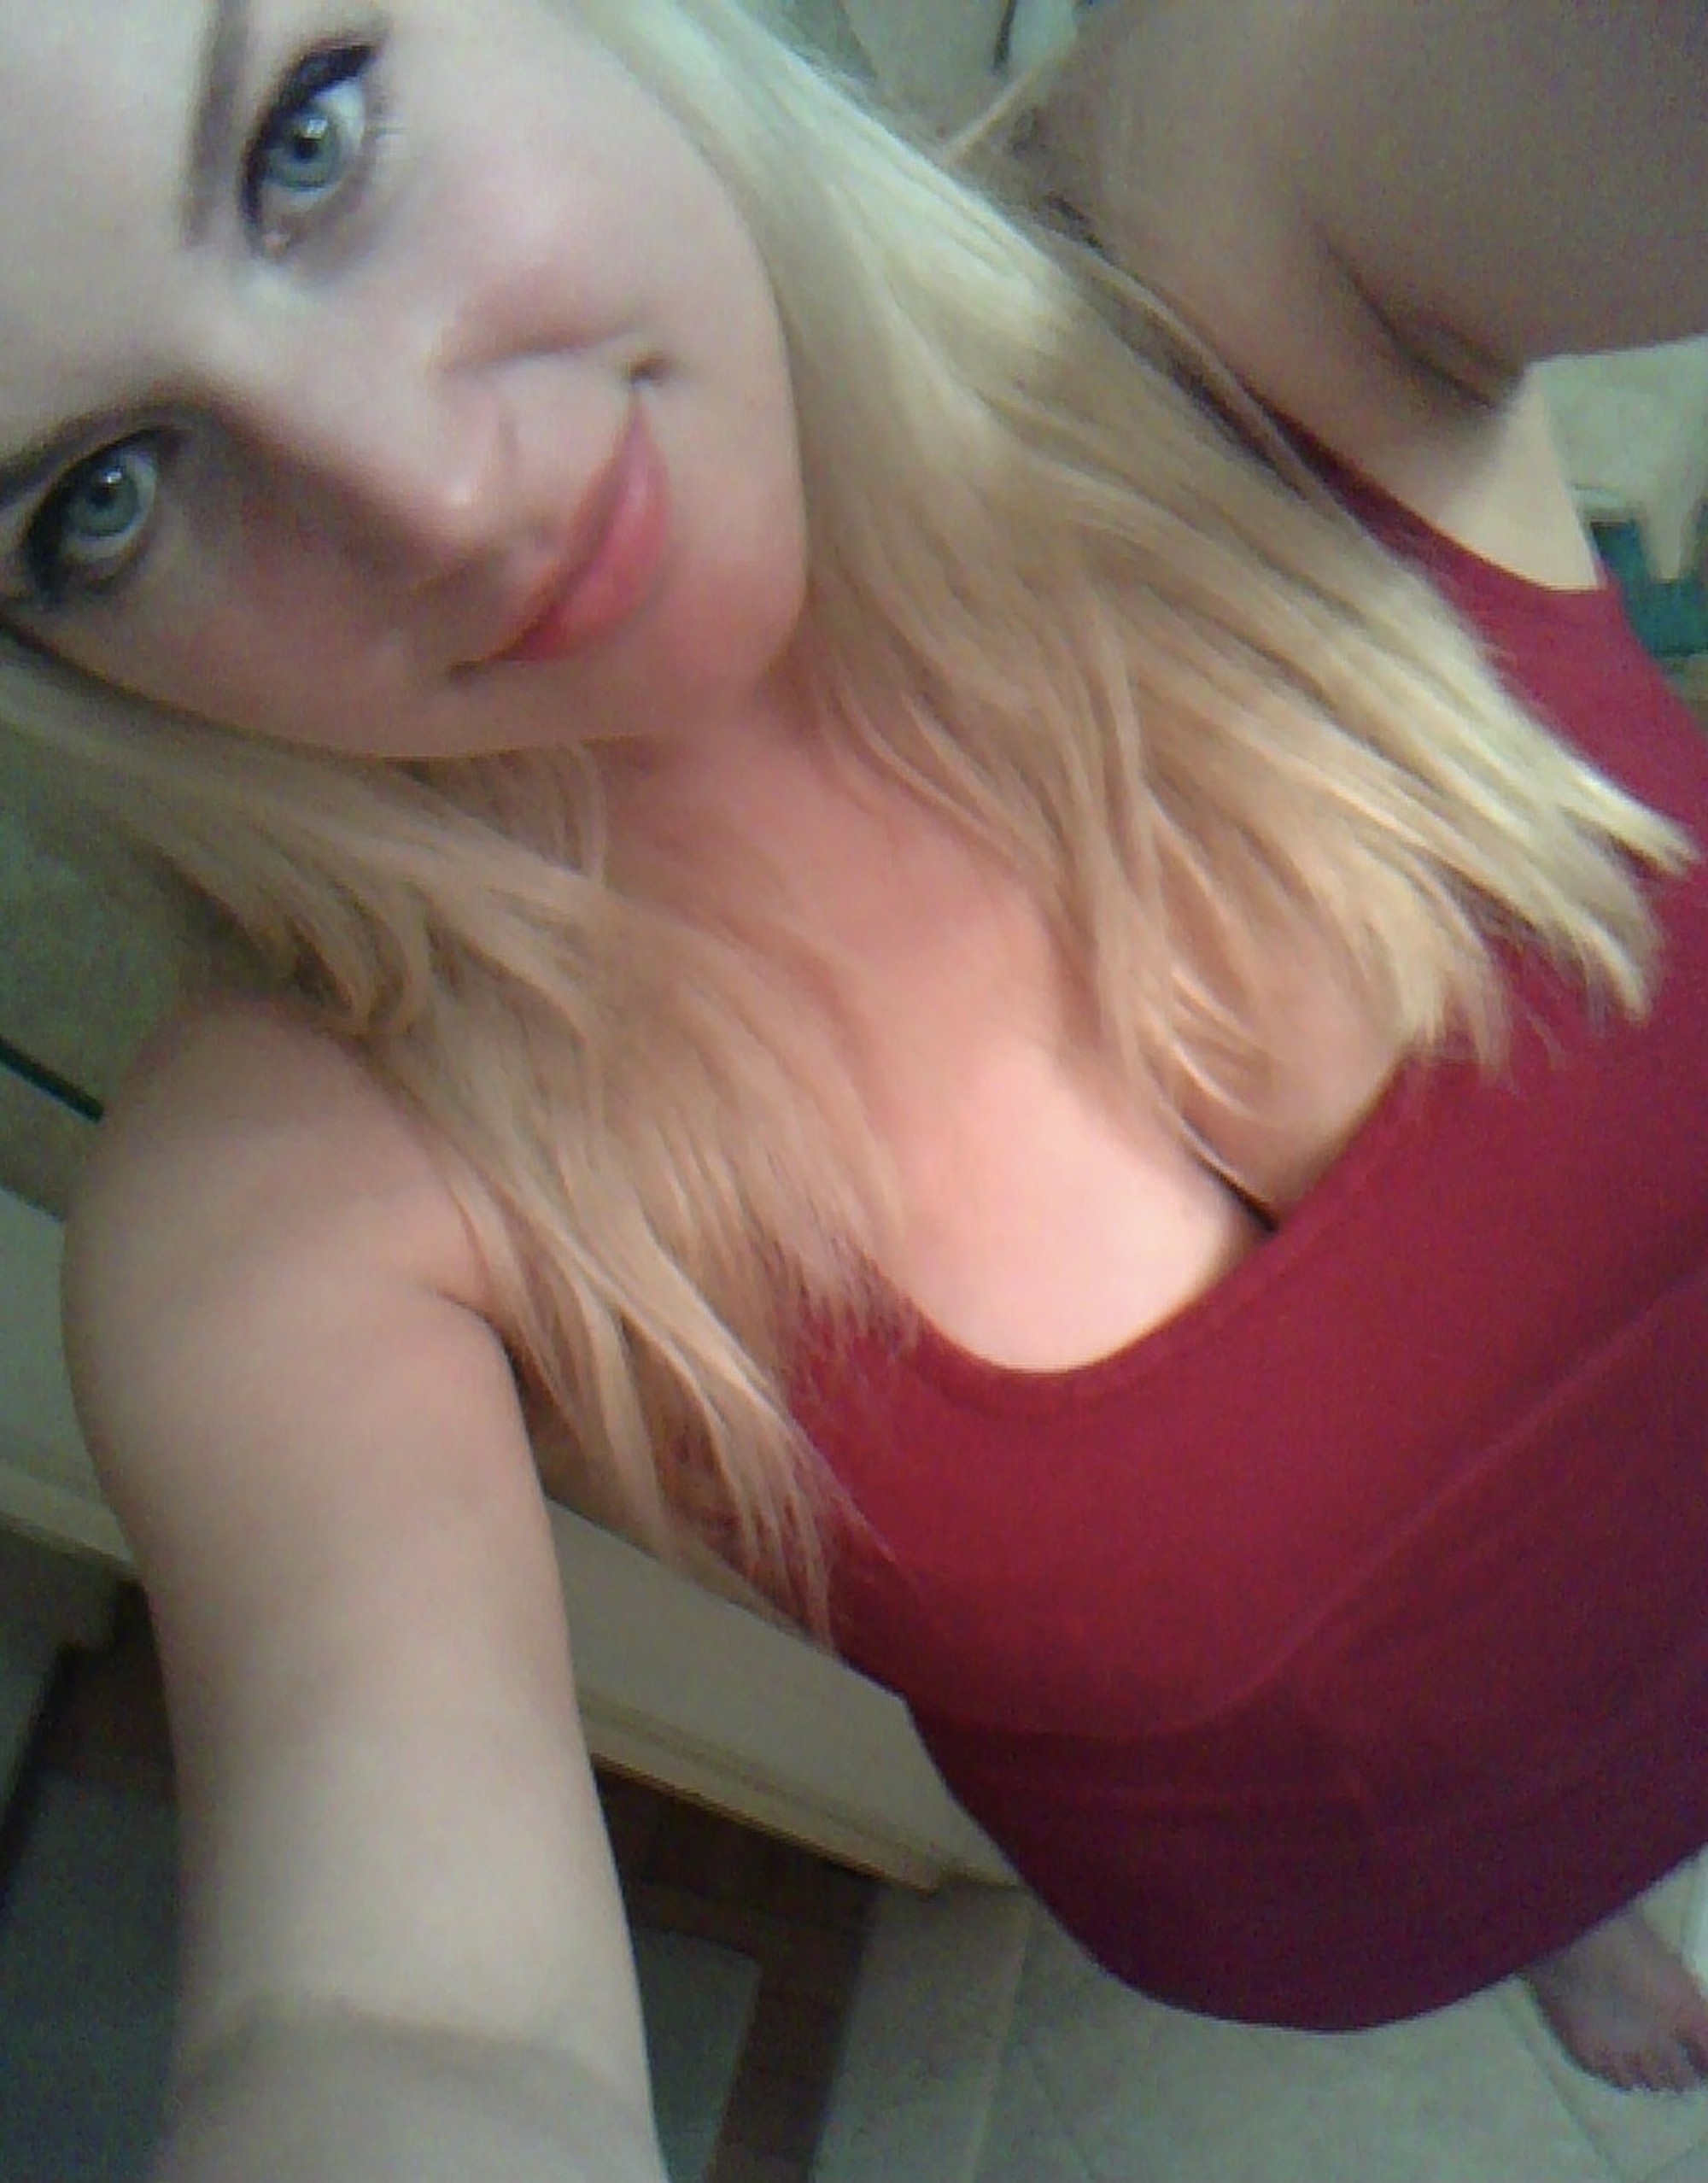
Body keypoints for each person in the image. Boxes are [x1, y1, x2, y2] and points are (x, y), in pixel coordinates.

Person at [1, 0, 1705, 2171]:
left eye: (310, 139)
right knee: (1532, 1877)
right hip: (1362, 1860)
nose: (432, 497)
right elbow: (400, 2026)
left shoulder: (1241, 186)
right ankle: (1566, 1926)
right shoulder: (295, 1190)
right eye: (106, 503)